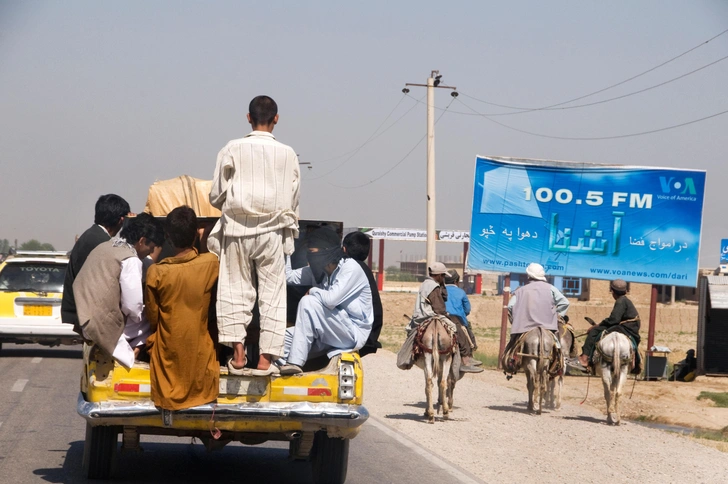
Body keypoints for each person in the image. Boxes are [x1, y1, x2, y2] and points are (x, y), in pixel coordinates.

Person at [208, 95, 300, 376]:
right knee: (272, 294)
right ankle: (265, 359)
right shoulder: (288, 154)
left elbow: (216, 194)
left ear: (248, 117)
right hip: (272, 232)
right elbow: (294, 198)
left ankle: (238, 355)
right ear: (276, 119)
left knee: (235, 289)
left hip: (237, 229)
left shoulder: (232, 148)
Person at [144, 207, 220, 410]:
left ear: (167, 236)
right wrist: (203, 238)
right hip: (199, 352)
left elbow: (152, 317)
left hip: (167, 352)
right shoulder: (211, 263)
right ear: (196, 232)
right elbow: (209, 254)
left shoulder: (156, 272)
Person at [73, 213, 165, 369]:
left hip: (84, 318)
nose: (149, 253)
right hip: (101, 326)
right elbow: (133, 307)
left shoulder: (107, 246)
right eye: (150, 248)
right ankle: (133, 355)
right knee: (149, 323)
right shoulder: (131, 260)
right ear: (142, 241)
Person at [279, 227, 373, 375]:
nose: (310, 257)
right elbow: (287, 276)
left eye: (313, 253)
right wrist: (287, 250)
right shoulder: (317, 271)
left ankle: (295, 362)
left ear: (326, 251)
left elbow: (331, 300)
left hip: (351, 334)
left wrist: (313, 291)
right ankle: (281, 371)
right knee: (283, 338)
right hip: (329, 332)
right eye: (308, 253)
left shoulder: (350, 268)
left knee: (308, 302)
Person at [62, 194, 131, 334]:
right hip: (94, 321)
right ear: (121, 220)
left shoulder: (90, 236)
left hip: (86, 318)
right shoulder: (102, 243)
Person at [398, 262, 483, 373]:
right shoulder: (434, 287)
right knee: (458, 328)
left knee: (412, 334)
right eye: (442, 275)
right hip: (431, 315)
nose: (443, 278)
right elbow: (439, 307)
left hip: (419, 316)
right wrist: (445, 313)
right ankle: (465, 359)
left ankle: (409, 356)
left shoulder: (424, 284)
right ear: (438, 275)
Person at [504, 263, 569, 370]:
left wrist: (517, 319)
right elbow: (565, 302)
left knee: (513, 343)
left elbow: (510, 306)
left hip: (525, 326)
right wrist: (557, 315)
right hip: (548, 326)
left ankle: (512, 361)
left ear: (528, 276)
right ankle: (559, 362)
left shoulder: (520, 290)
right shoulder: (551, 288)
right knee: (556, 344)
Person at [578, 279, 641, 374]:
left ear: (613, 291)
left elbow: (614, 320)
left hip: (626, 328)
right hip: (632, 328)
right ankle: (637, 361)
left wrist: (596, 326)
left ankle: (585, 358)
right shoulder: (626, 300)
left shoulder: (620, 301)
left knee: (594, 332)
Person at [342, 231, 382, 356]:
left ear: (344, 249)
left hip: (358, 336)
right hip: (371, 334)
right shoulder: (365, 270)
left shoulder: (349, 269)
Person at [444, 269, 480, 363]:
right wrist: (463, 315)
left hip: (441, 318)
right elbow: (467, 309)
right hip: (456, 320)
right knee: (468, 336)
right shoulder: (461, 292)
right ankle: (467, 358)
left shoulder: (440, 290)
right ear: (456, 281)